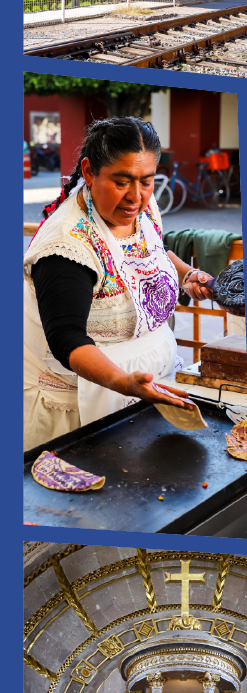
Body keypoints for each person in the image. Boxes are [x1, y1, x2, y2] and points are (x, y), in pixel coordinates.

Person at [24, 117, 211, 449]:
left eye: (147, 181)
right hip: (81, 401)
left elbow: (154, 249)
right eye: (122, 181)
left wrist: (186, 274)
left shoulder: (142, 207)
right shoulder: (65, 246)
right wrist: (123, 381)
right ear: (89, 171)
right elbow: (66, 338)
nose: (136, 197)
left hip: (148, 385)